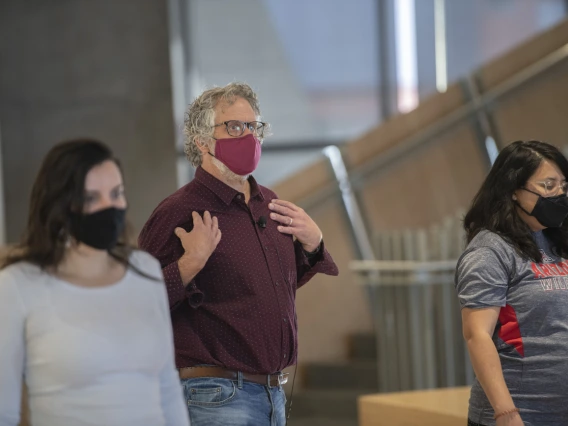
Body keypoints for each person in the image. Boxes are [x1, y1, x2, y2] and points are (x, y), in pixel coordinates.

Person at [138, 82, 339, 425]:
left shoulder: (270, 204)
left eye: (254, 126)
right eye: (234, 127)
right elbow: (137, 301)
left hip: (272, 393)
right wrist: (188, 266)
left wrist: (314, 244)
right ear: (202, 140)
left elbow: (266, 290)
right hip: (214, 395)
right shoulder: (179, 211)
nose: (248, 136)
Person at [0, 139, 189, 426]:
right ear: (61, 205)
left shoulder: (145, 271)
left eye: (116, 194)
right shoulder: (19, 285)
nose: (108, 207)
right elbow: (4, 410)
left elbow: (167, 388)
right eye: (91, 198)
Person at [456, 140, 568, 426]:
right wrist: (506, 413)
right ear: (515, 192)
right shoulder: (490, 251)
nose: (559, 194)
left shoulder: (557, 241)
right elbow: (477, 336)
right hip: (521, 416)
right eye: (548, 185)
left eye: (563, 186)